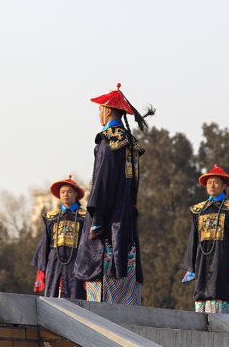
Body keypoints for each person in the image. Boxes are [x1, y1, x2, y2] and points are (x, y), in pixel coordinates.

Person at [73, 83, 154, 305]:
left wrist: (97, 221)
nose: (98, 113)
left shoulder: (107, 141)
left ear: (108, 110)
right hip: (126, 221)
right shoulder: (130, 143)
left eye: (100, 108)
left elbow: (103, 184)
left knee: (101, 290)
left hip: (108, 224)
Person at [182, 164, 229, 314]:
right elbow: (193, 238)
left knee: (222, 290)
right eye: (209, 182)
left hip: (223, 260)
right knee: (201, 292)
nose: (212, 185)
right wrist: (190, 266)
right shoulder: (198, 210)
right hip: (202, 262)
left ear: (224, 185)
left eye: (216, 182)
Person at [31, 176, 87, 299]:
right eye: (63, 192)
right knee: (52, 296)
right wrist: (41, 270)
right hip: (54, 262)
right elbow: (44, 244)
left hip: (76, 262)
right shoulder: (51, 217)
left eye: (69, 191)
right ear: (59, 195)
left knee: (76, 297)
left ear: (75, 194)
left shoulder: (85, 217)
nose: (65, 194)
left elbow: (88, 245)